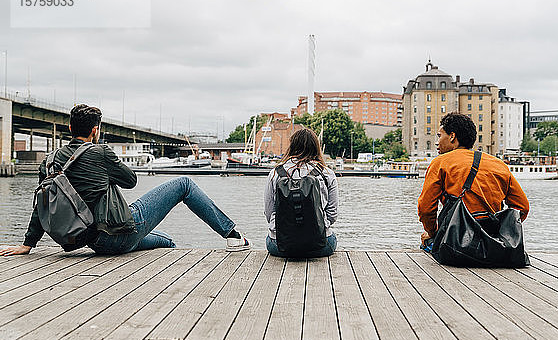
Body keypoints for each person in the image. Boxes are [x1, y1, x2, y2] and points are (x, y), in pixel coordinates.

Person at [0, 104, 250, 256]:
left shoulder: (51, 160)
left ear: (69, 129)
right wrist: (105, 168)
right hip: (118, 233)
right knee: (183, 184)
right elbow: (130, 181)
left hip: (93, 242)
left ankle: (171, 253)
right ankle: (234, 236)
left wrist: (27, 244)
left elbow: (41, 204)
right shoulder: (101, 152)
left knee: (167, 241)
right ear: (95, 130)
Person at [418, 112, 529, 249]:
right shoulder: (499, 164)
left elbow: (426, 208)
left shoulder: (440, 163)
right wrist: (503, 230)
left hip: (456, 244)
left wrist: (433, 232)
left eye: (440, 136)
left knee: (426, 240)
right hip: (493, 243)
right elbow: (522, 207)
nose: (437, 142)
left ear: (452, 136)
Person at [264, 128, 338, 257]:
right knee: (332, 238)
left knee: (271, 238)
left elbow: (269, 211)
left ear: (292, 146)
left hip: (280, 245)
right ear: (316, 147)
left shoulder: (275, 173)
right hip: (319, 245)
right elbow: (332, 214)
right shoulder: (327, 174)